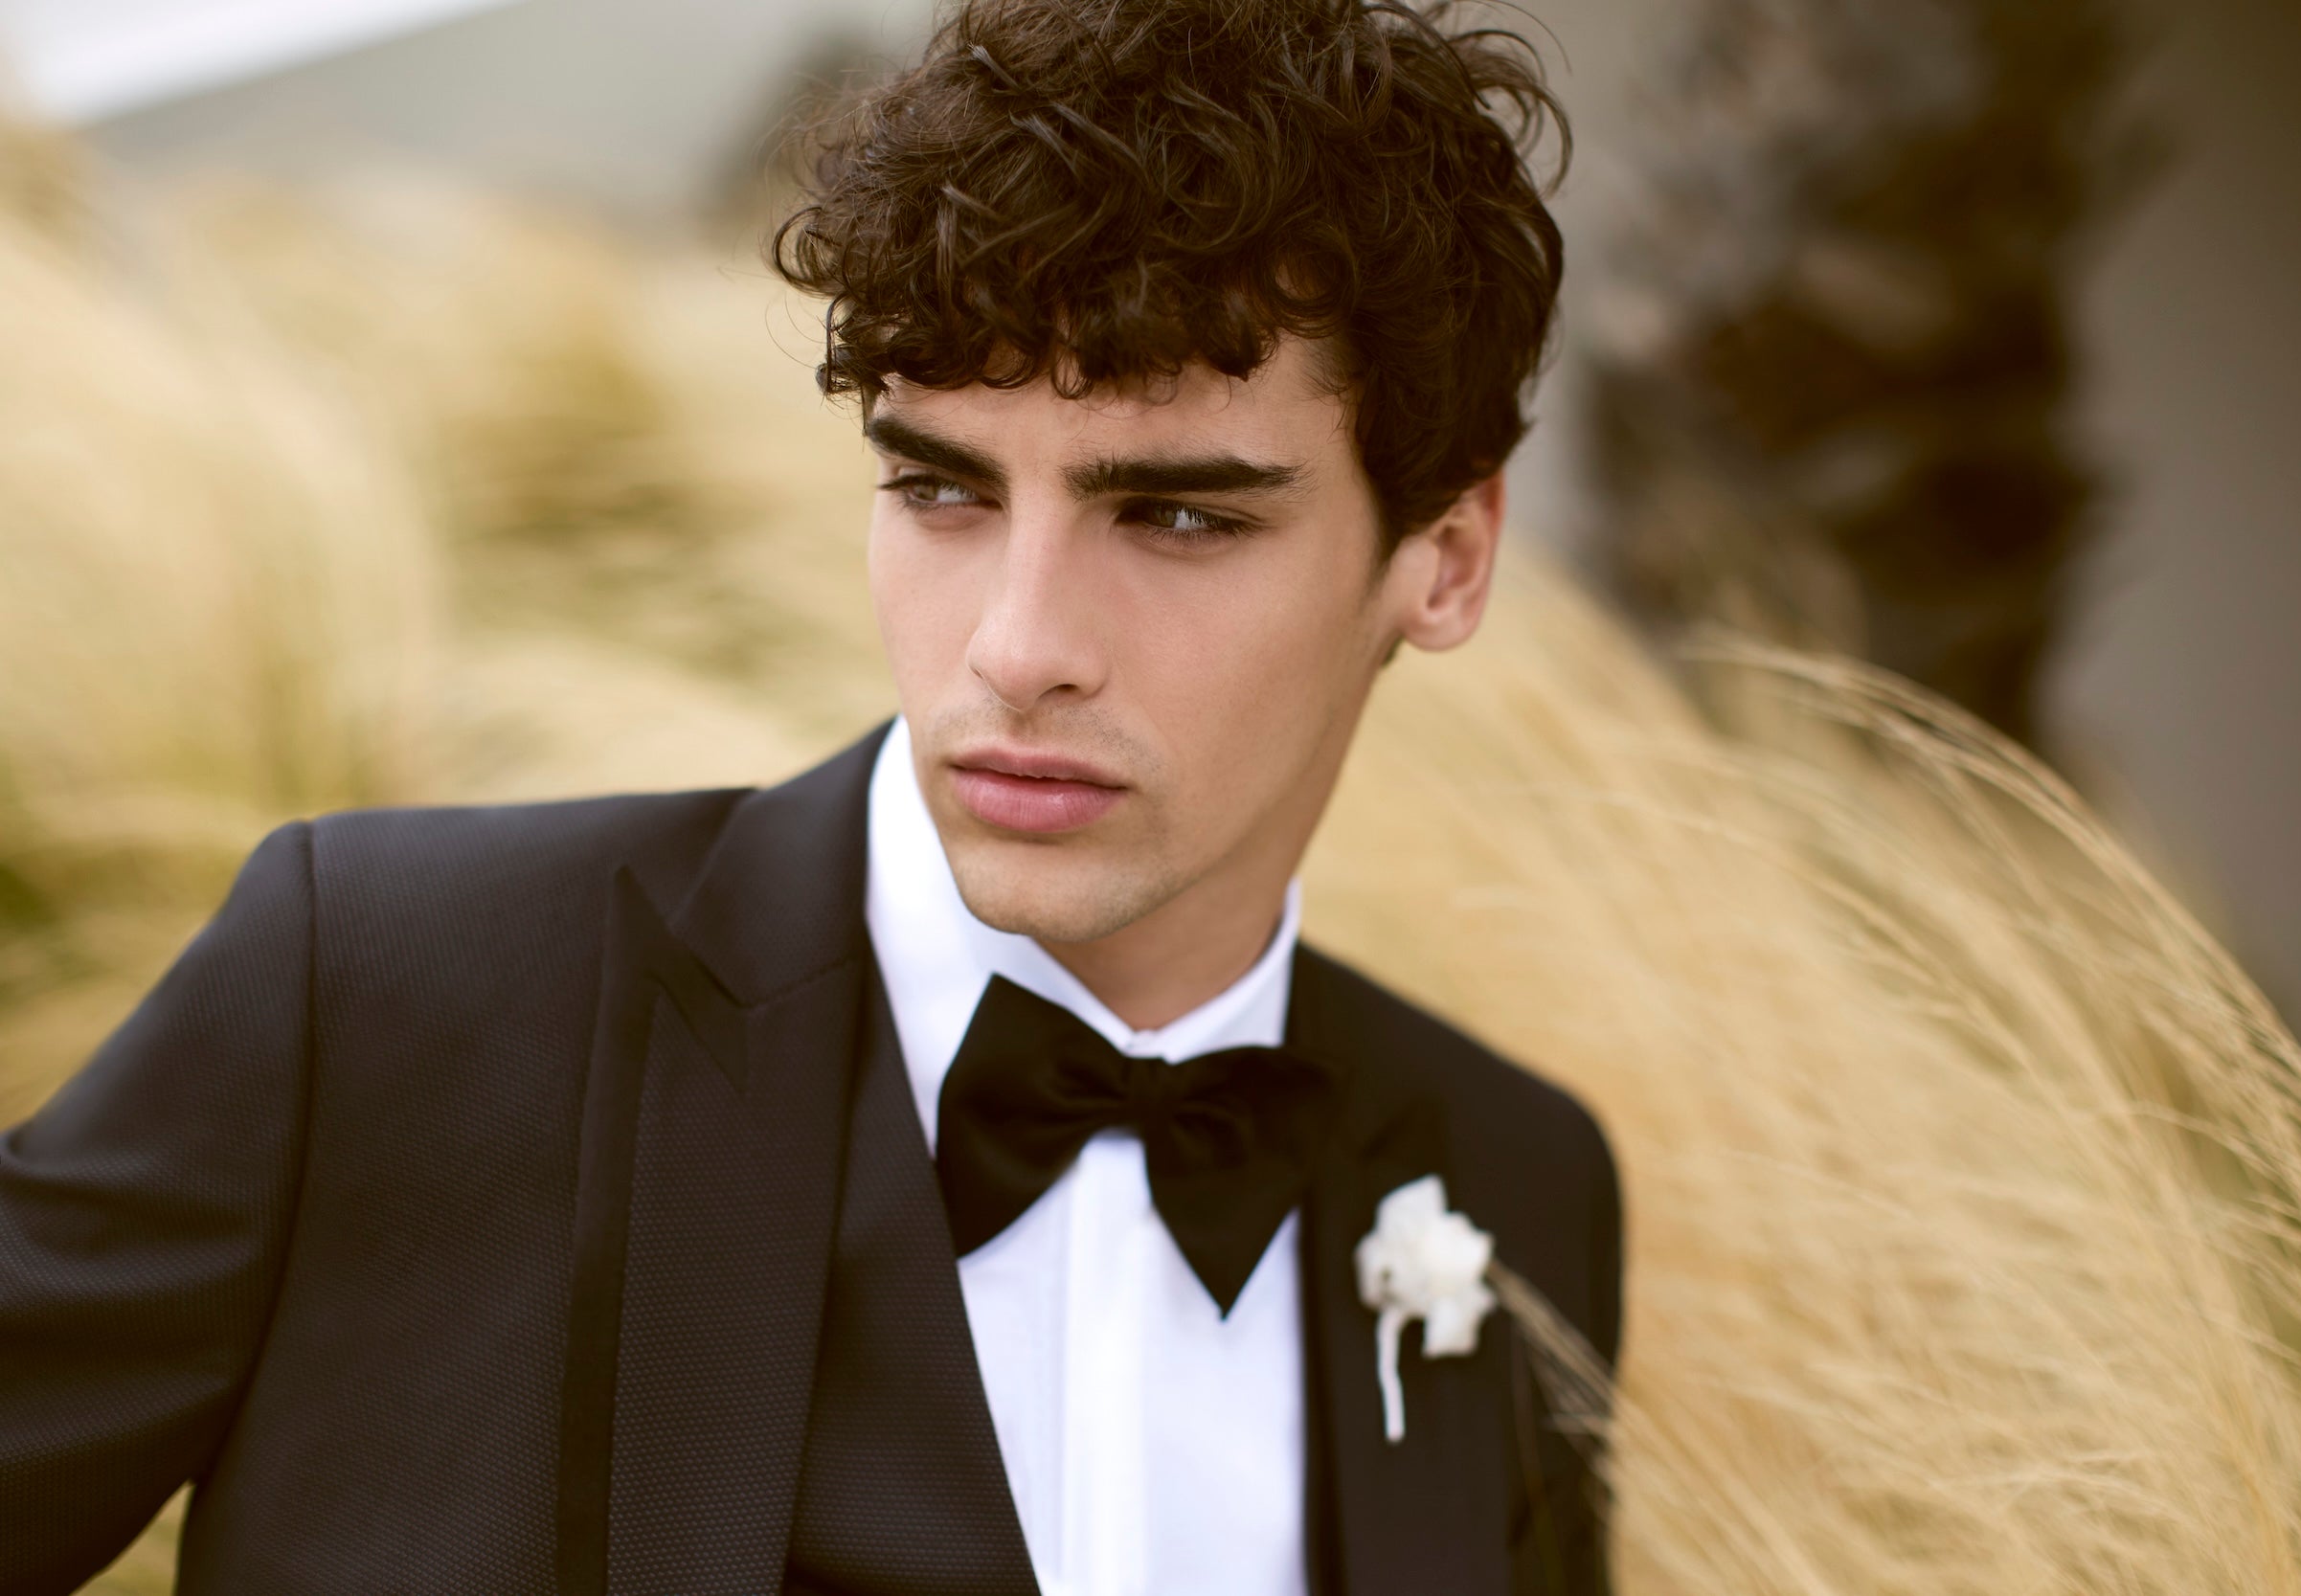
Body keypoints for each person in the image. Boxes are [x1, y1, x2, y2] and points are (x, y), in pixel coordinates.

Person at [0, 0, 1624, 1590]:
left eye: (1179, 518)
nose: (1016, 648)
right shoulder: (378, 992)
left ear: (1446, 560)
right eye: (940, 488)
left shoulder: (1518, 1184)